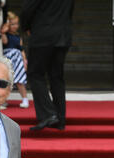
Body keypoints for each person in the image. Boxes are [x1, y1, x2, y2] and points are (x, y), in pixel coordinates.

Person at [20, 0, 75, 130]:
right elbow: (70, 10)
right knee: (57, 77)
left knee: (35, 74)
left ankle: (48, 114)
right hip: (63, 35)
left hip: (42, 35)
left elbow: (27, 10)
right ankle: (60, 119)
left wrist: (26, 27)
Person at [2, 11, 29, 108]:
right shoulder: (5, 35)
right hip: (8, 59)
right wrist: (3, 32)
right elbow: (4, 41)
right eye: (12, 24)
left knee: (20, 81)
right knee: (6, 81)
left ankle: (25, 99)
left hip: (18, 60)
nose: (15, 26)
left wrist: (24, 60)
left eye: (16, 24)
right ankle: (3, 100)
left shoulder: (18, 36)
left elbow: (21, 49)